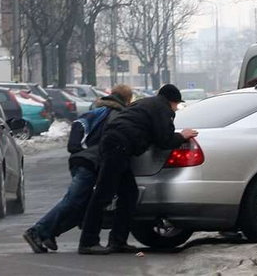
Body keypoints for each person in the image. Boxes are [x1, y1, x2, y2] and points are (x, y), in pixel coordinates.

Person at [77, 84, 198, 255]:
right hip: (119, 147)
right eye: (177, 105)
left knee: (129, 194)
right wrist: (182, 136)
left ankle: (118, 241)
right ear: (172, 101)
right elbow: (164, 139)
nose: (176, 108)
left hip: (114, 144)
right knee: (103, 194)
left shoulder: (146, 103)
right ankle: (88, 242)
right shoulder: (162, 109)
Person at [22, 85, 134, 253]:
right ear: (127, 100)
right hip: (90, 162)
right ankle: (37, 231)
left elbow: (78, 127)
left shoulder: (97, 110)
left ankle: (48, 233)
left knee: (83, 205)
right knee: (74, 201)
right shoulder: (115, 115)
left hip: (82, 159)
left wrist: (78, 150)